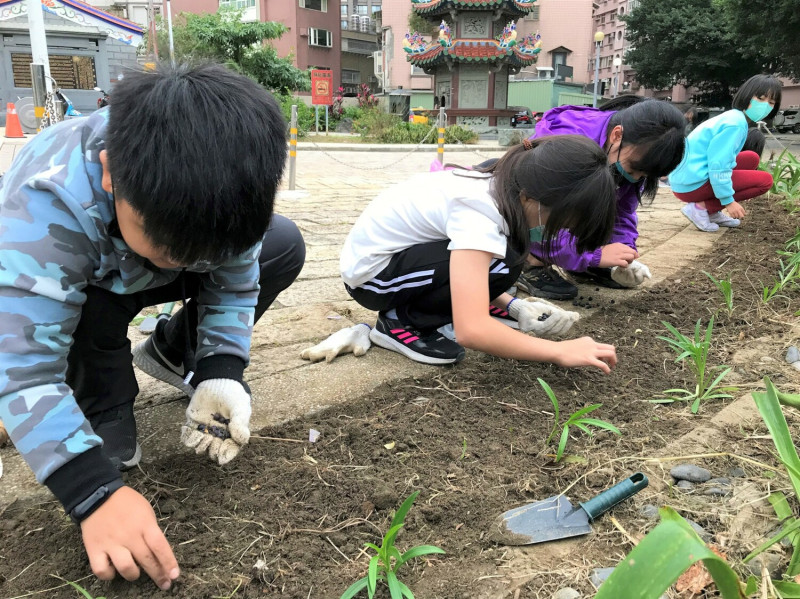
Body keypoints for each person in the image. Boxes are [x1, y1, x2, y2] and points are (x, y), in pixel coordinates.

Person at [0, 63, 305, 590]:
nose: (186, 264)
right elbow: (23, 366)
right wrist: (91, 492)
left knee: (282, 245)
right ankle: (103, 397)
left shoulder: (231, 188)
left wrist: (221, 368)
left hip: (140, 252)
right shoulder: (47, 206)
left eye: (209, 254)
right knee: (86, 310)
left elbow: (235, 282)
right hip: (84, 275)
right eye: (171, 249)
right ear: (109, 173)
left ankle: (170, 351)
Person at [338, 136, 618, 373]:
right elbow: (471, 331)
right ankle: (401, 322)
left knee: (507, 257)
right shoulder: (480, 212)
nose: (551, 229)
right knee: (506, 258)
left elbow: (469, 268)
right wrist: (559, 351)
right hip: (373, 278)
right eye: (558, 221)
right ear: (532, 197)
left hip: (408, 262)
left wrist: (513, 307)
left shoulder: (503, 186)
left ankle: (465, 306)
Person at [516, 97, 687, 300]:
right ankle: (529, 260)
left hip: (565, 214)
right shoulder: (565, 144)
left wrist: (625, 252)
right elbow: (540, 217)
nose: (635, 179)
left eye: (645, 176)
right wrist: (595, 255)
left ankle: (580, 262)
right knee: (557, 212)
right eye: (635, 169)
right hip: (533, 219)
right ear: (616, 134)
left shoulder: (630, 151)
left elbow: (623, 210)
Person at [670, 74, 781, 232]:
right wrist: (728, 201)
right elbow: (718, 165)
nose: (765, 105)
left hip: (686, 177)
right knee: (765, 181)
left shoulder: (734, 117)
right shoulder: (735, 125)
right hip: (690, 185)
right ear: (747, 95)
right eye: (761, 98)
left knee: (751, 158)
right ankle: (701, 208)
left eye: (771, 102)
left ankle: (712, 212)